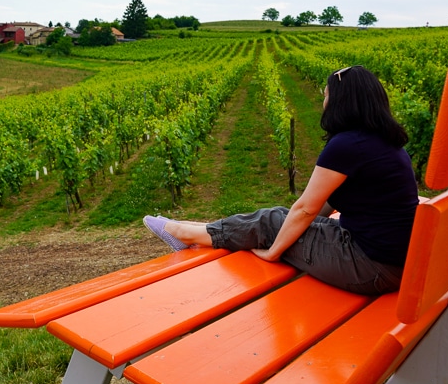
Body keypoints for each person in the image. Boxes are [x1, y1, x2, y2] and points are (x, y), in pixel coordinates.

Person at [143, 65, 418, 295]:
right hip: (394, 261)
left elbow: (306, 208)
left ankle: (184, 233)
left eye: (326, 96)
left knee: (270, 220)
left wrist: (274, 251)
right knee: (279, 219)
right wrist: (295, 222)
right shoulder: (386, 142)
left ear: (341, 102)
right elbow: (328, 202)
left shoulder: (347, 145)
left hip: (370, 267)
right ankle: (195, 231)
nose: (323, 103)